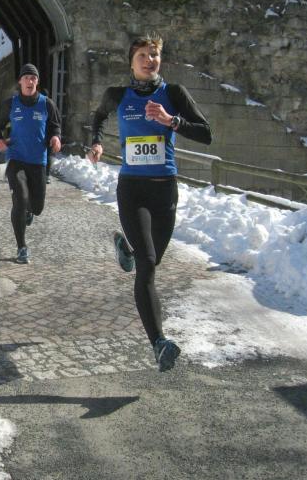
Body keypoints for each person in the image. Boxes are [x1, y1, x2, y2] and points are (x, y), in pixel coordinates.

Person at [87, 34, 212, 372]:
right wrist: (96, 143)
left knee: (150, 261)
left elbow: (206, 133)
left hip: (165, 191)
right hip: (133, 190)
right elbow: (98, 117)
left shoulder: (174, 94)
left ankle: (127, 251)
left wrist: (172, 121)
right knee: (148, 263)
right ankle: (159, 342)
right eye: (142, 55)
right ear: (131, 62)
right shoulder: (117, 95)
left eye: (154, 54)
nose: (149, 60)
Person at [0, 63, 62, 264]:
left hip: (38, 160)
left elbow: (55, 126)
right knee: (20, 198)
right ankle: (22, 247)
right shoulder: (11, 104)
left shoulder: (47, 104)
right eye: (26, 78)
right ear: (20, 81)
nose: (30, 81)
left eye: (33, 78)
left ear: (37, 82)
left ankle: (30, 210)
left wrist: (56, 138)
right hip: (15, 158)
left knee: (37, 207)